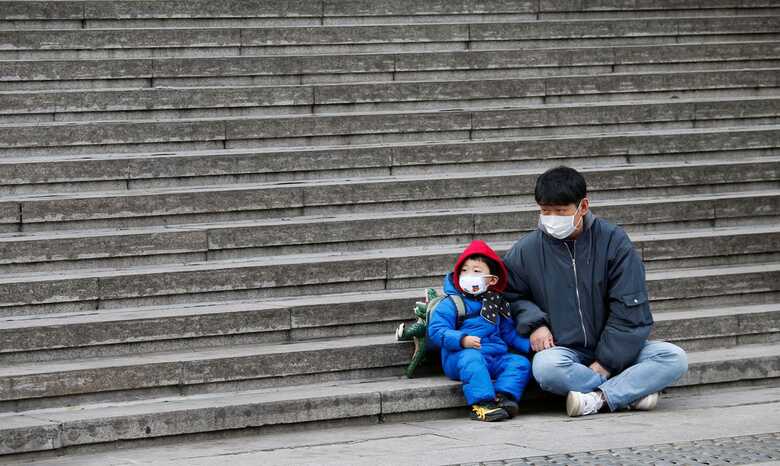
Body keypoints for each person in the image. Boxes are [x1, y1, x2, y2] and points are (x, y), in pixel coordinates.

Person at [502, 166, 688, 417]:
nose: (552, 218)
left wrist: (606, 362)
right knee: (546, 368)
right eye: (546, 211)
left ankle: (598, 398)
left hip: (617, 350)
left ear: (583, 207)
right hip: (566, 351)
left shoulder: (614, 242)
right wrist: (535, 323)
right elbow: (511, 295)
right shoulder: (526, 250)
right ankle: (627, 393)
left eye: (561, 211)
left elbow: (630, 308)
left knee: (673, 357)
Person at [428, 240, 532, 422]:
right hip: (459, 357)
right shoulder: (452, 303)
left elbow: (508, 333)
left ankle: (503, 397)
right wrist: (462, 339)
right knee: (472, 358)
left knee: (519, 362)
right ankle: (482, 404)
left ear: (492, 280)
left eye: (476, 271)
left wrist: (529, 346)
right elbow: (437, 330)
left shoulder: (497, 303)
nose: (469, 275)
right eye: (464, 270)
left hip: (494, 356)